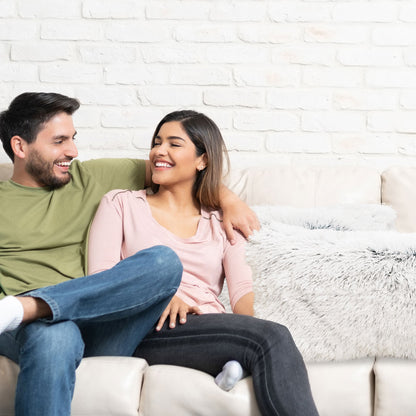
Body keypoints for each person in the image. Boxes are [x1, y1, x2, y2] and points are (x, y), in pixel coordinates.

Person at [0, 92, 259, 416]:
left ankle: (27, 306)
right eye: (59, 141)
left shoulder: (92, 177)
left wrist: (230, 199)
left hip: (100, 323)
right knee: (55, 335)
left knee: (163, 260)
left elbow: (183, 169)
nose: (73, 151)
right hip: (27, 328)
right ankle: (24, 310)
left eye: (73, 138)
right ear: (20, 146)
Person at [88, 110, 319, 416]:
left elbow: (242, 293)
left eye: (174, 144)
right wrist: (161, 296)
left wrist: (247, 329)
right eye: (157, 142)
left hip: (205, 326)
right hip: (147, 326)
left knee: (269, 335)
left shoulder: (223, 221)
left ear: (202, 160)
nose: (159, 151)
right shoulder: (121, 203)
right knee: (272, 338)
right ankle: (231, 365)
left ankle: (232, 362)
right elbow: (101, 279)